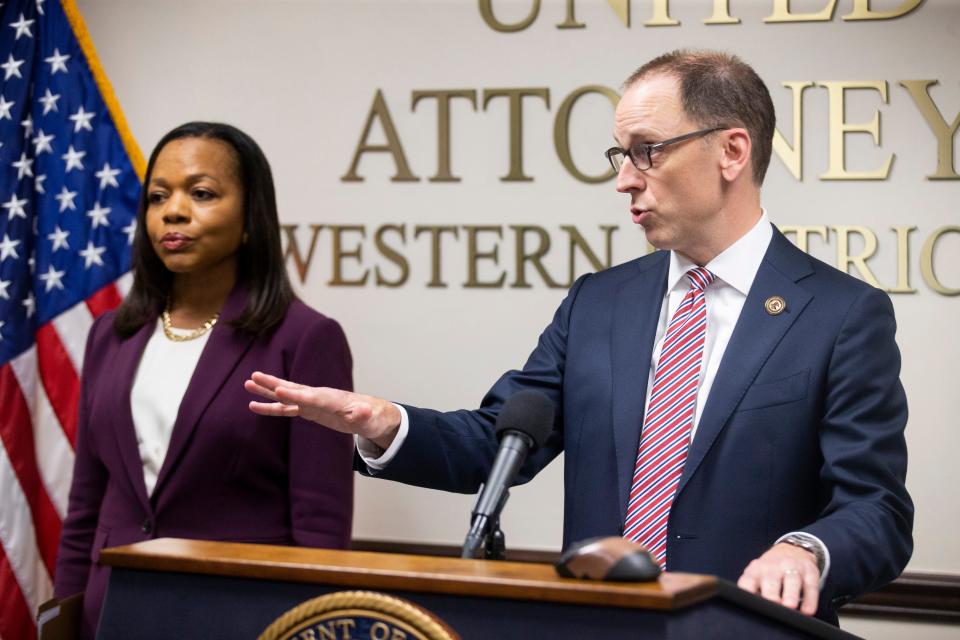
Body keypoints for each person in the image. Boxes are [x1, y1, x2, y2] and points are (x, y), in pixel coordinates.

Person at [246, 50, 913, 624]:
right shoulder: (600, 303)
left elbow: (876, 509)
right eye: (620, 155)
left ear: (732, 151)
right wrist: (386, 423)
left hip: (745, 630)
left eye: (647, 151)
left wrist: (807, 548)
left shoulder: (839, 315)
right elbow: (501, 441)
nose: (625, 178)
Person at [55, 122, 355, 639]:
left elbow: (320, 528)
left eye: (201, 193)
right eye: (158, 196)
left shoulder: (305, 339)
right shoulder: (111, 333)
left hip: (237, 619)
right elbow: (86, 506)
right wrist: (62, 620)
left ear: (249, 220)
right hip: (111, 617)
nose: (173, 210)